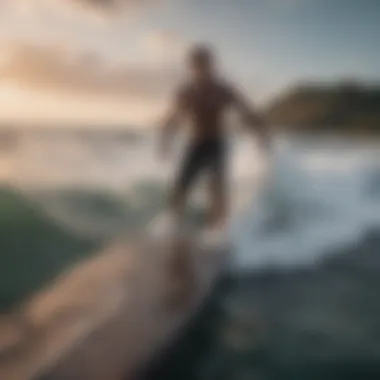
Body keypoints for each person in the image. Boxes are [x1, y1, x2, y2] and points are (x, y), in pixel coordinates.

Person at [159, 43, 271, 232]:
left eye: (205, 64)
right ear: (192, 67)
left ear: (212, 65)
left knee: (217, 192)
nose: (201, 69)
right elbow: (173, 118)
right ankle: (173, 229)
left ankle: (217, 232)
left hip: (216, 145)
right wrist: (165, 141)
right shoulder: (187, 92)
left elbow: (247, 112)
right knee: (179, 188)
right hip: (195, 144)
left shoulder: (223, 90)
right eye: (197, 65)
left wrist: (261, 136)